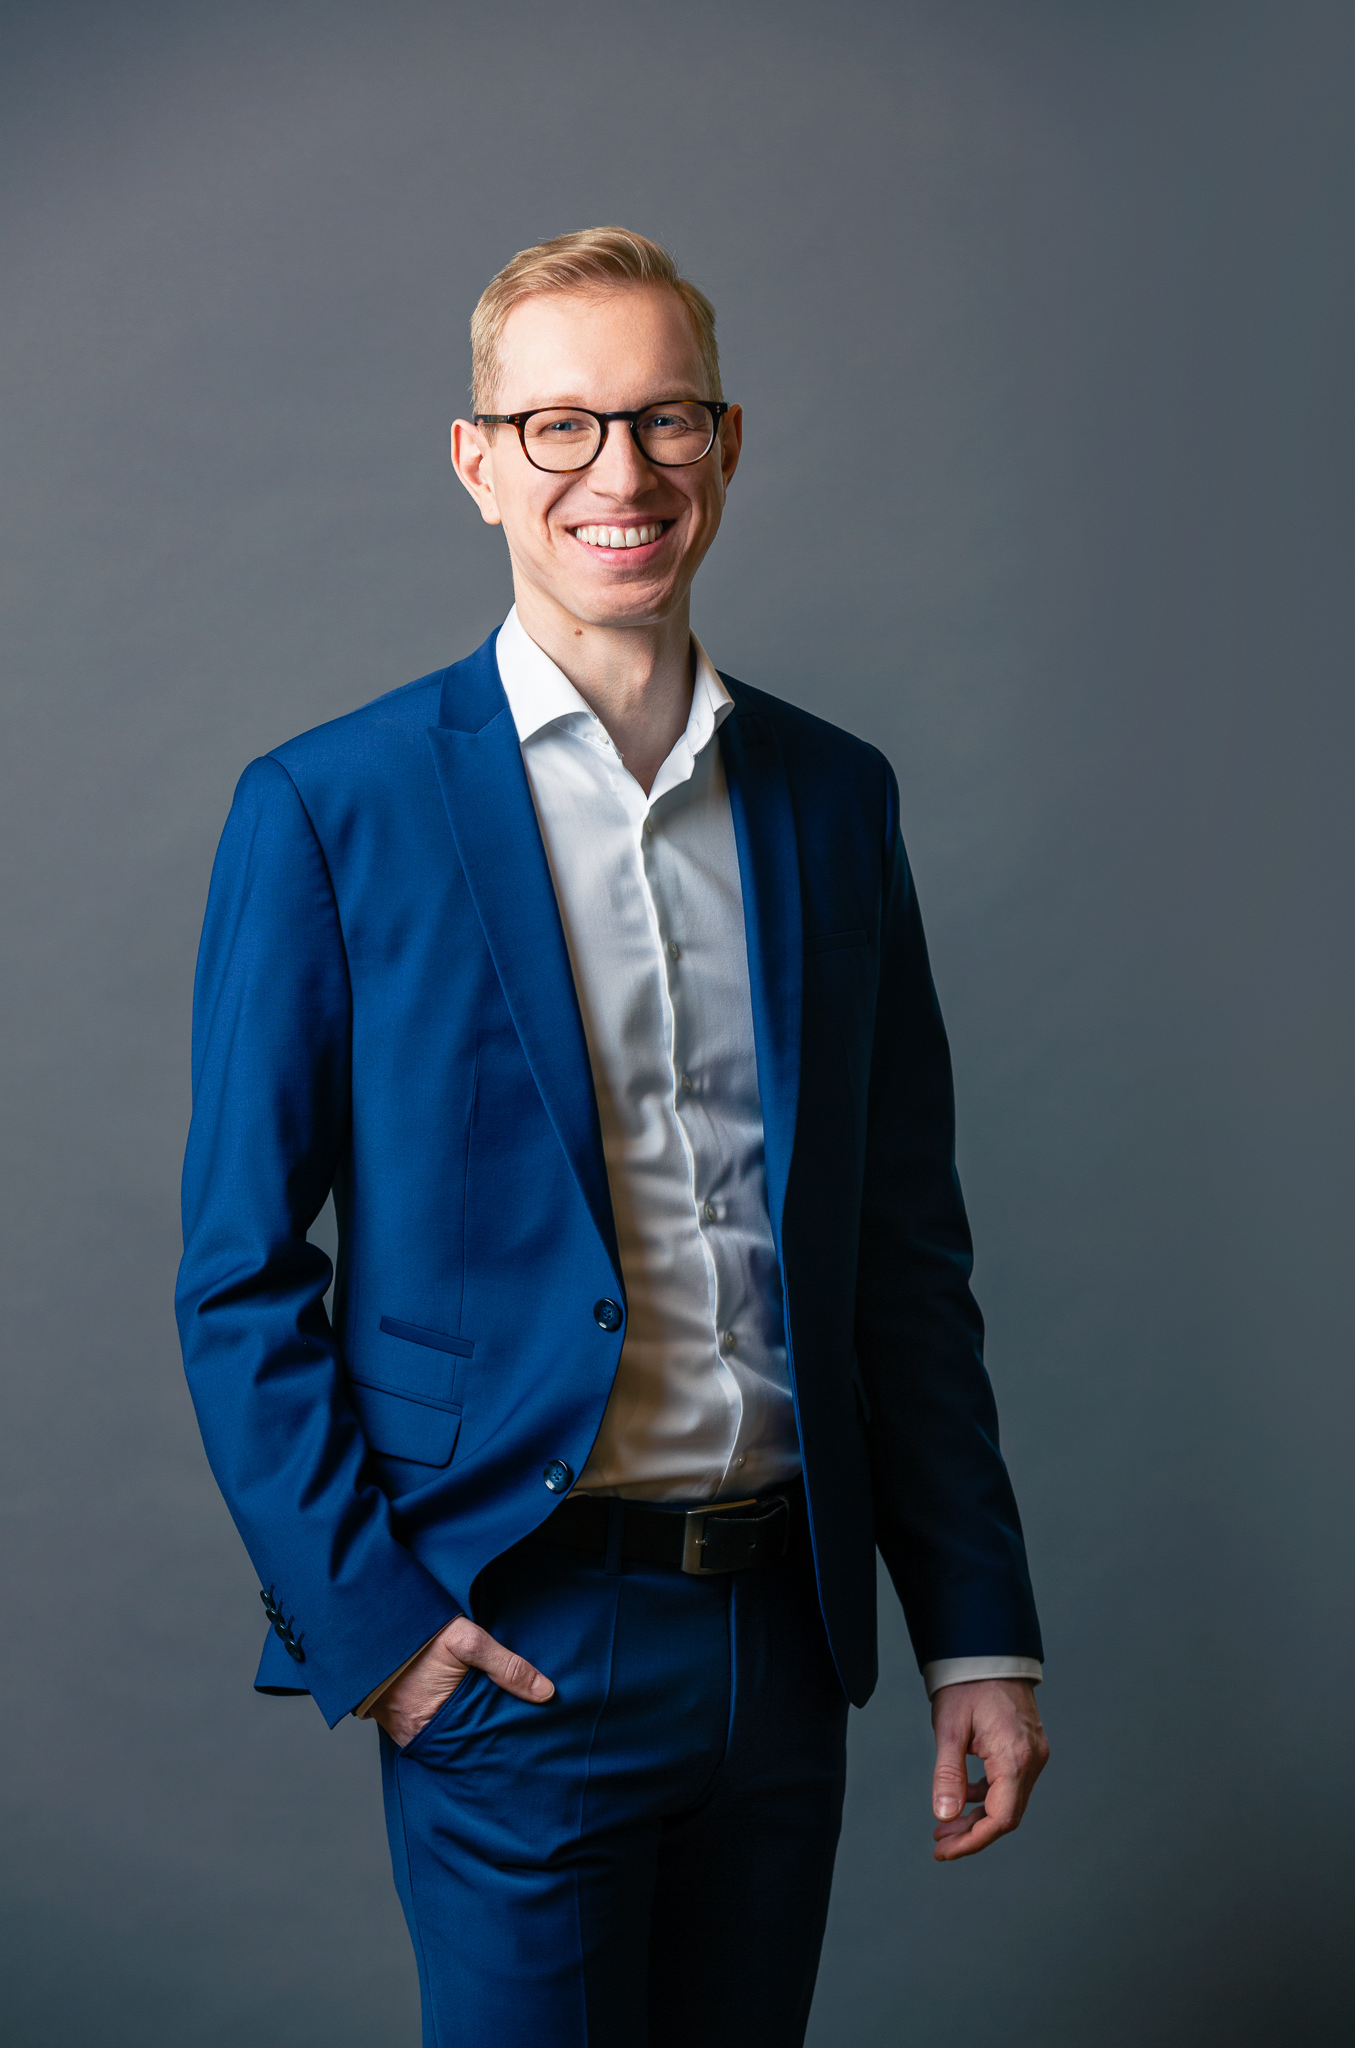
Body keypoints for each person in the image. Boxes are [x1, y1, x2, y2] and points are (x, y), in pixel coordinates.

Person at [176, 225, 1048, 2048]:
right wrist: (379, 1634)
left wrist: (976, 1630)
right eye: (559, 425)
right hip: (513, 1637)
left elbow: (900, 1255)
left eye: (663, 419)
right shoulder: (330, 808)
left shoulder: (833, 800)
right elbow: (238, 1276)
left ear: (726, 444)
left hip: (782, 1636)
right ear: (476, 459)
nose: (619, 474)